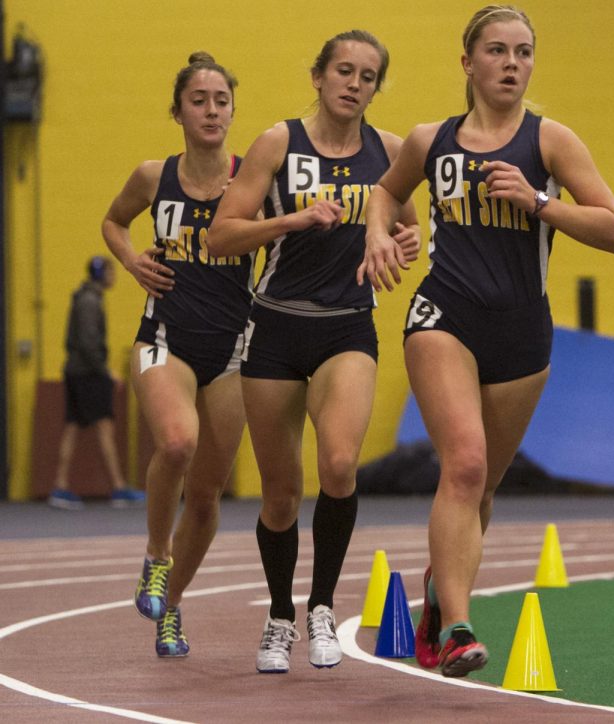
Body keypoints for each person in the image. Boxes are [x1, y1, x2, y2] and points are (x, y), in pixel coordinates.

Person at [358, 5, 614, 678]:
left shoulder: (550, 142)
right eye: (499, 51)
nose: (513, 63)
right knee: (467, 463)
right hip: (444, 314)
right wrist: (377, 233)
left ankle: (436, 594)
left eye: (525, 52)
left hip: (521, 332)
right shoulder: (432, 140)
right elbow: (383, 195)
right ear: (469, 63)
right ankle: (457, 627)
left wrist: (539, 202)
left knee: (479, 491)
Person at [207, 30, 419, 674]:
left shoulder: (389, 151)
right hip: (274, 328)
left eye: (368, 76)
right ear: (319, 76)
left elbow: (407, 222)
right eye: (344, 71)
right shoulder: (278, 142)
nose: (354, 84)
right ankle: (279, 616)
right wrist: (291, 222)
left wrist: (399, 245)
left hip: (347, 328)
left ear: (377, 87)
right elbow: (222, 238)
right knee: (279, 494)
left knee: (340, 464)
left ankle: (321, 605)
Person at [101, 52, 255, 659]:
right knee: (175, 442)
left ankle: (174, 606)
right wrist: (131, 258)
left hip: (235, 350)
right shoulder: (152, 176)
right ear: (178, 111)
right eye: (200, 100)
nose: (212, 109)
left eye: (222, 99)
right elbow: (114, 223)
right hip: (163, 337)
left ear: (232, 109)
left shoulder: (253, 180)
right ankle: (155, 557)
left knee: (210, 493)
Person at [49, 255, 145, 510]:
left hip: (75, 371)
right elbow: (89, 343)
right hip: (88, 374)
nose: (114, 277)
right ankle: (118, 487)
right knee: (105, 427)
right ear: (102, 275)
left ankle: (60, 486)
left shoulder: (84, 297)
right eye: (112, 273)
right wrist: (105, 372)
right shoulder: (91, 302)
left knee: (72, 427)